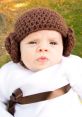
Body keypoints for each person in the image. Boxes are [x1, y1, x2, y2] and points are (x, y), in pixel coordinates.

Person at [0, 7, 82, 117]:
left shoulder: (70, 64)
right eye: (33, 42)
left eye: (52, 43)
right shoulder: (8, 73)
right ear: (17, 47)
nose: (43, 48)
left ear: (64, 46)